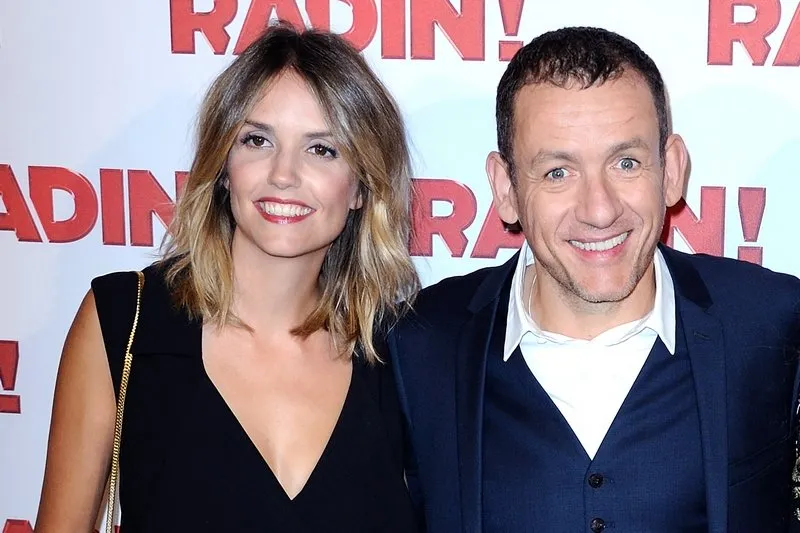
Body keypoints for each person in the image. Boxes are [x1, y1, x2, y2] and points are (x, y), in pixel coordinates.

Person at [388, 26, 800, 533]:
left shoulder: (773, 322)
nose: (599, 210)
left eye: (626, 163)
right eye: (558, 172)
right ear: (505, 188)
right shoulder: (418, 343)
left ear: (670, 169)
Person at [35, 22, 421, 532]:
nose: (283, 174)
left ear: (360, 188)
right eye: (257, 140)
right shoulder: (124, 321)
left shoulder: (401, 353)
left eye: (322, 149)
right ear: (223, 165)